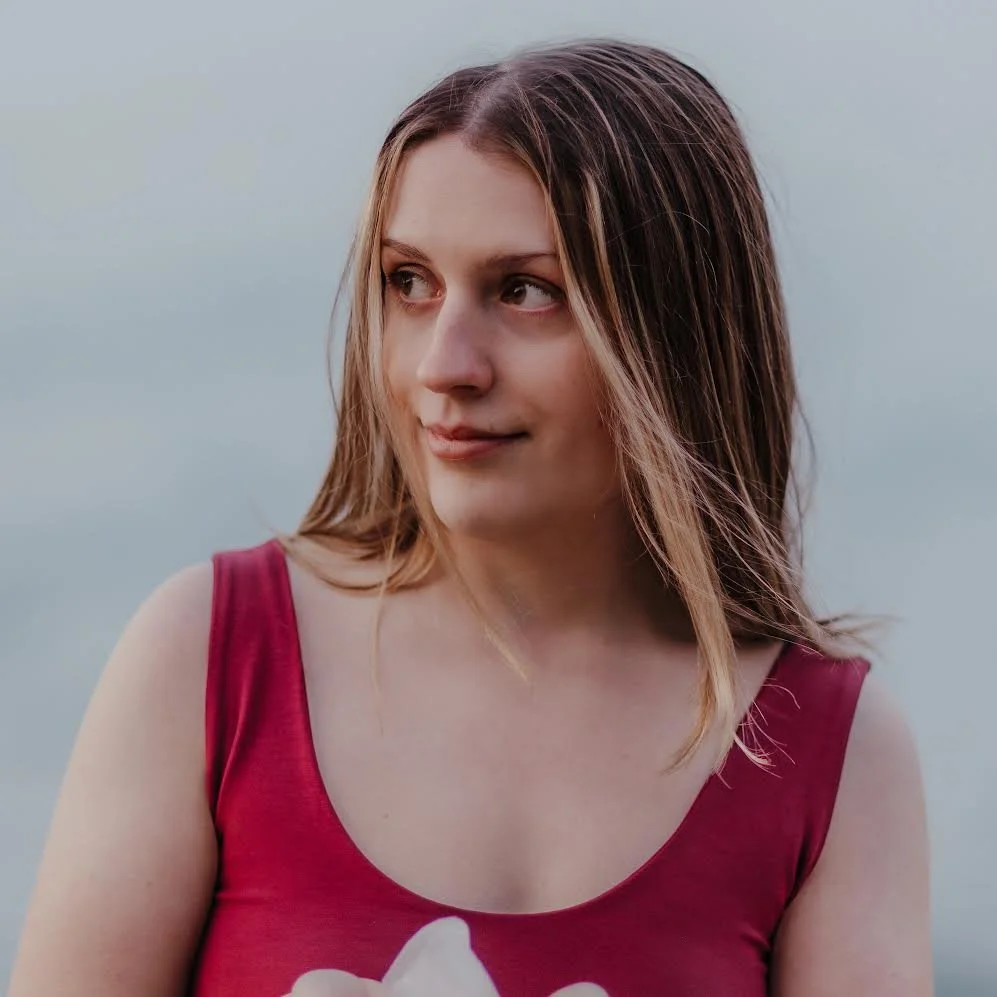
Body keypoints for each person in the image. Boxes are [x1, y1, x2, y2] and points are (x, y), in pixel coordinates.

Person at [7, 38, 932, 997]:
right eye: (409, 282)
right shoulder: (209, 659)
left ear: (675, 337)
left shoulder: (831, 750)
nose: (445, 363)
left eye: (524, 292)